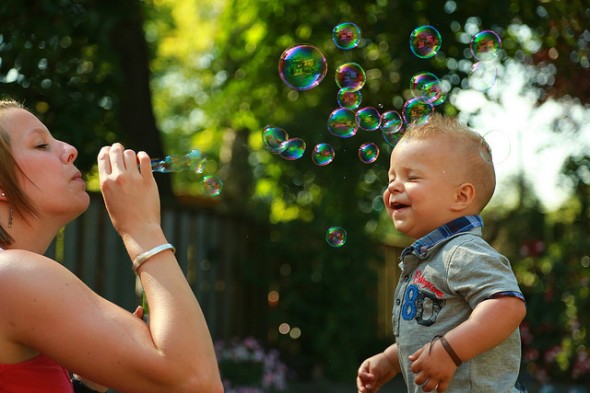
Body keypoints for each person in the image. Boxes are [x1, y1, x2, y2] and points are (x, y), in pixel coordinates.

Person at [0, 99, 224, 393]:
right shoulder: (14, 276)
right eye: (41, 145)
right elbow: (198, 383)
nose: (70, 150)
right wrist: (142, 228)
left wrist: (85, 387)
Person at [356, 113, 527, 392]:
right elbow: (430, 326)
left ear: (460, 197)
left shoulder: (462, 251)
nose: (393, 187)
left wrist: (450, 351)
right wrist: (390, 360)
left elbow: (508, 306)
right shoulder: (428, 258)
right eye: (392, 177)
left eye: (412, 177)